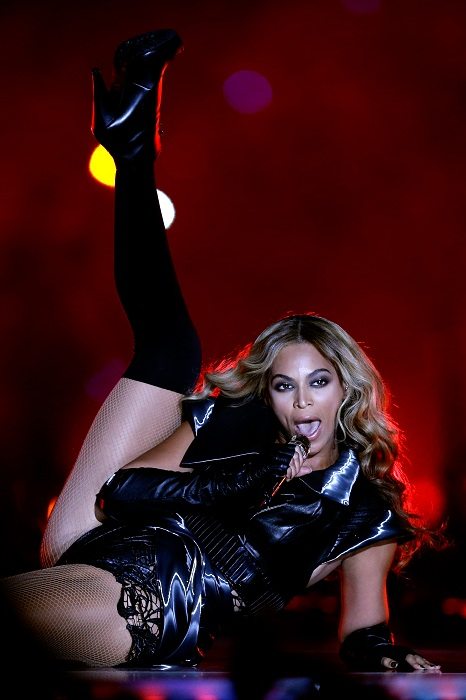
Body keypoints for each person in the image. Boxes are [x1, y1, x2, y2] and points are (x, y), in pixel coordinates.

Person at [1, 28, 444, 673]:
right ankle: (132, 148)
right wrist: (248, 474)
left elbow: (364, 634)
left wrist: (388, 658)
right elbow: (120, 493)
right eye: (284, 385)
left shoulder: (364, 508)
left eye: (318, 381)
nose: (301, 400)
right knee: (172, 350)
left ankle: (129, 145)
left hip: (155, 602)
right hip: (100, 533)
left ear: (345, 388)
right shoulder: (238, 425)